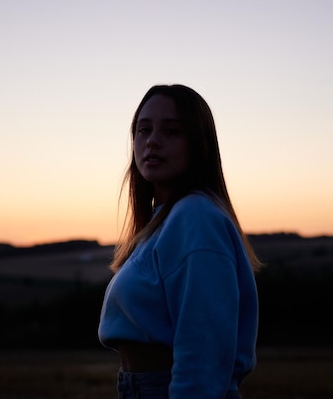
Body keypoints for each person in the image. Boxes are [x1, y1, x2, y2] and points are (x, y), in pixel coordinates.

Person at [98, 84, 262, 399]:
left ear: (198, 143)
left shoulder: (196, 216)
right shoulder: (163, 222)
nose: (152, 141)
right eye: (143, 130)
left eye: (171, 131)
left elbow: (204, 348)